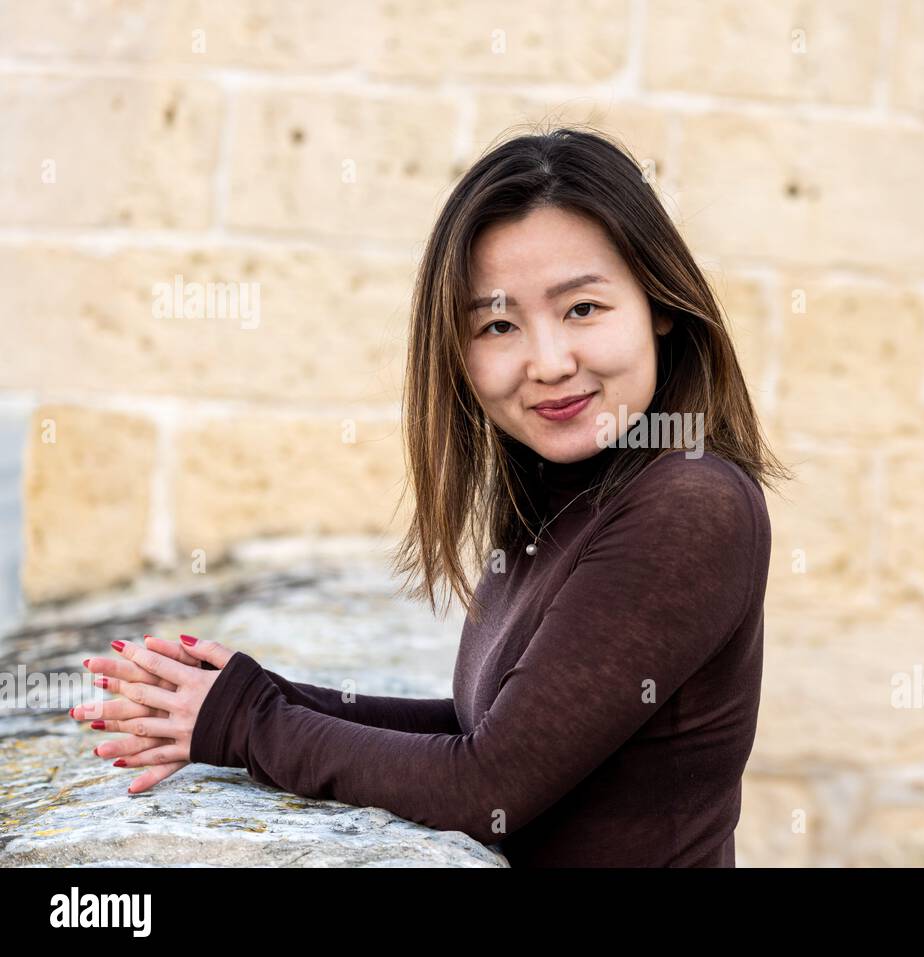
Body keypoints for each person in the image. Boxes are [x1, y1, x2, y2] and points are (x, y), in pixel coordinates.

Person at [74, 126, 792, 867]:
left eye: (582, 309)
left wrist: (250, 721)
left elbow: (489, 783)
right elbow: (480, 726)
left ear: (659, 304)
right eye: (499, 324)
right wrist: (259, 694)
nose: (548, 362)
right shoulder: (559, 496)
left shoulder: (689, 505)